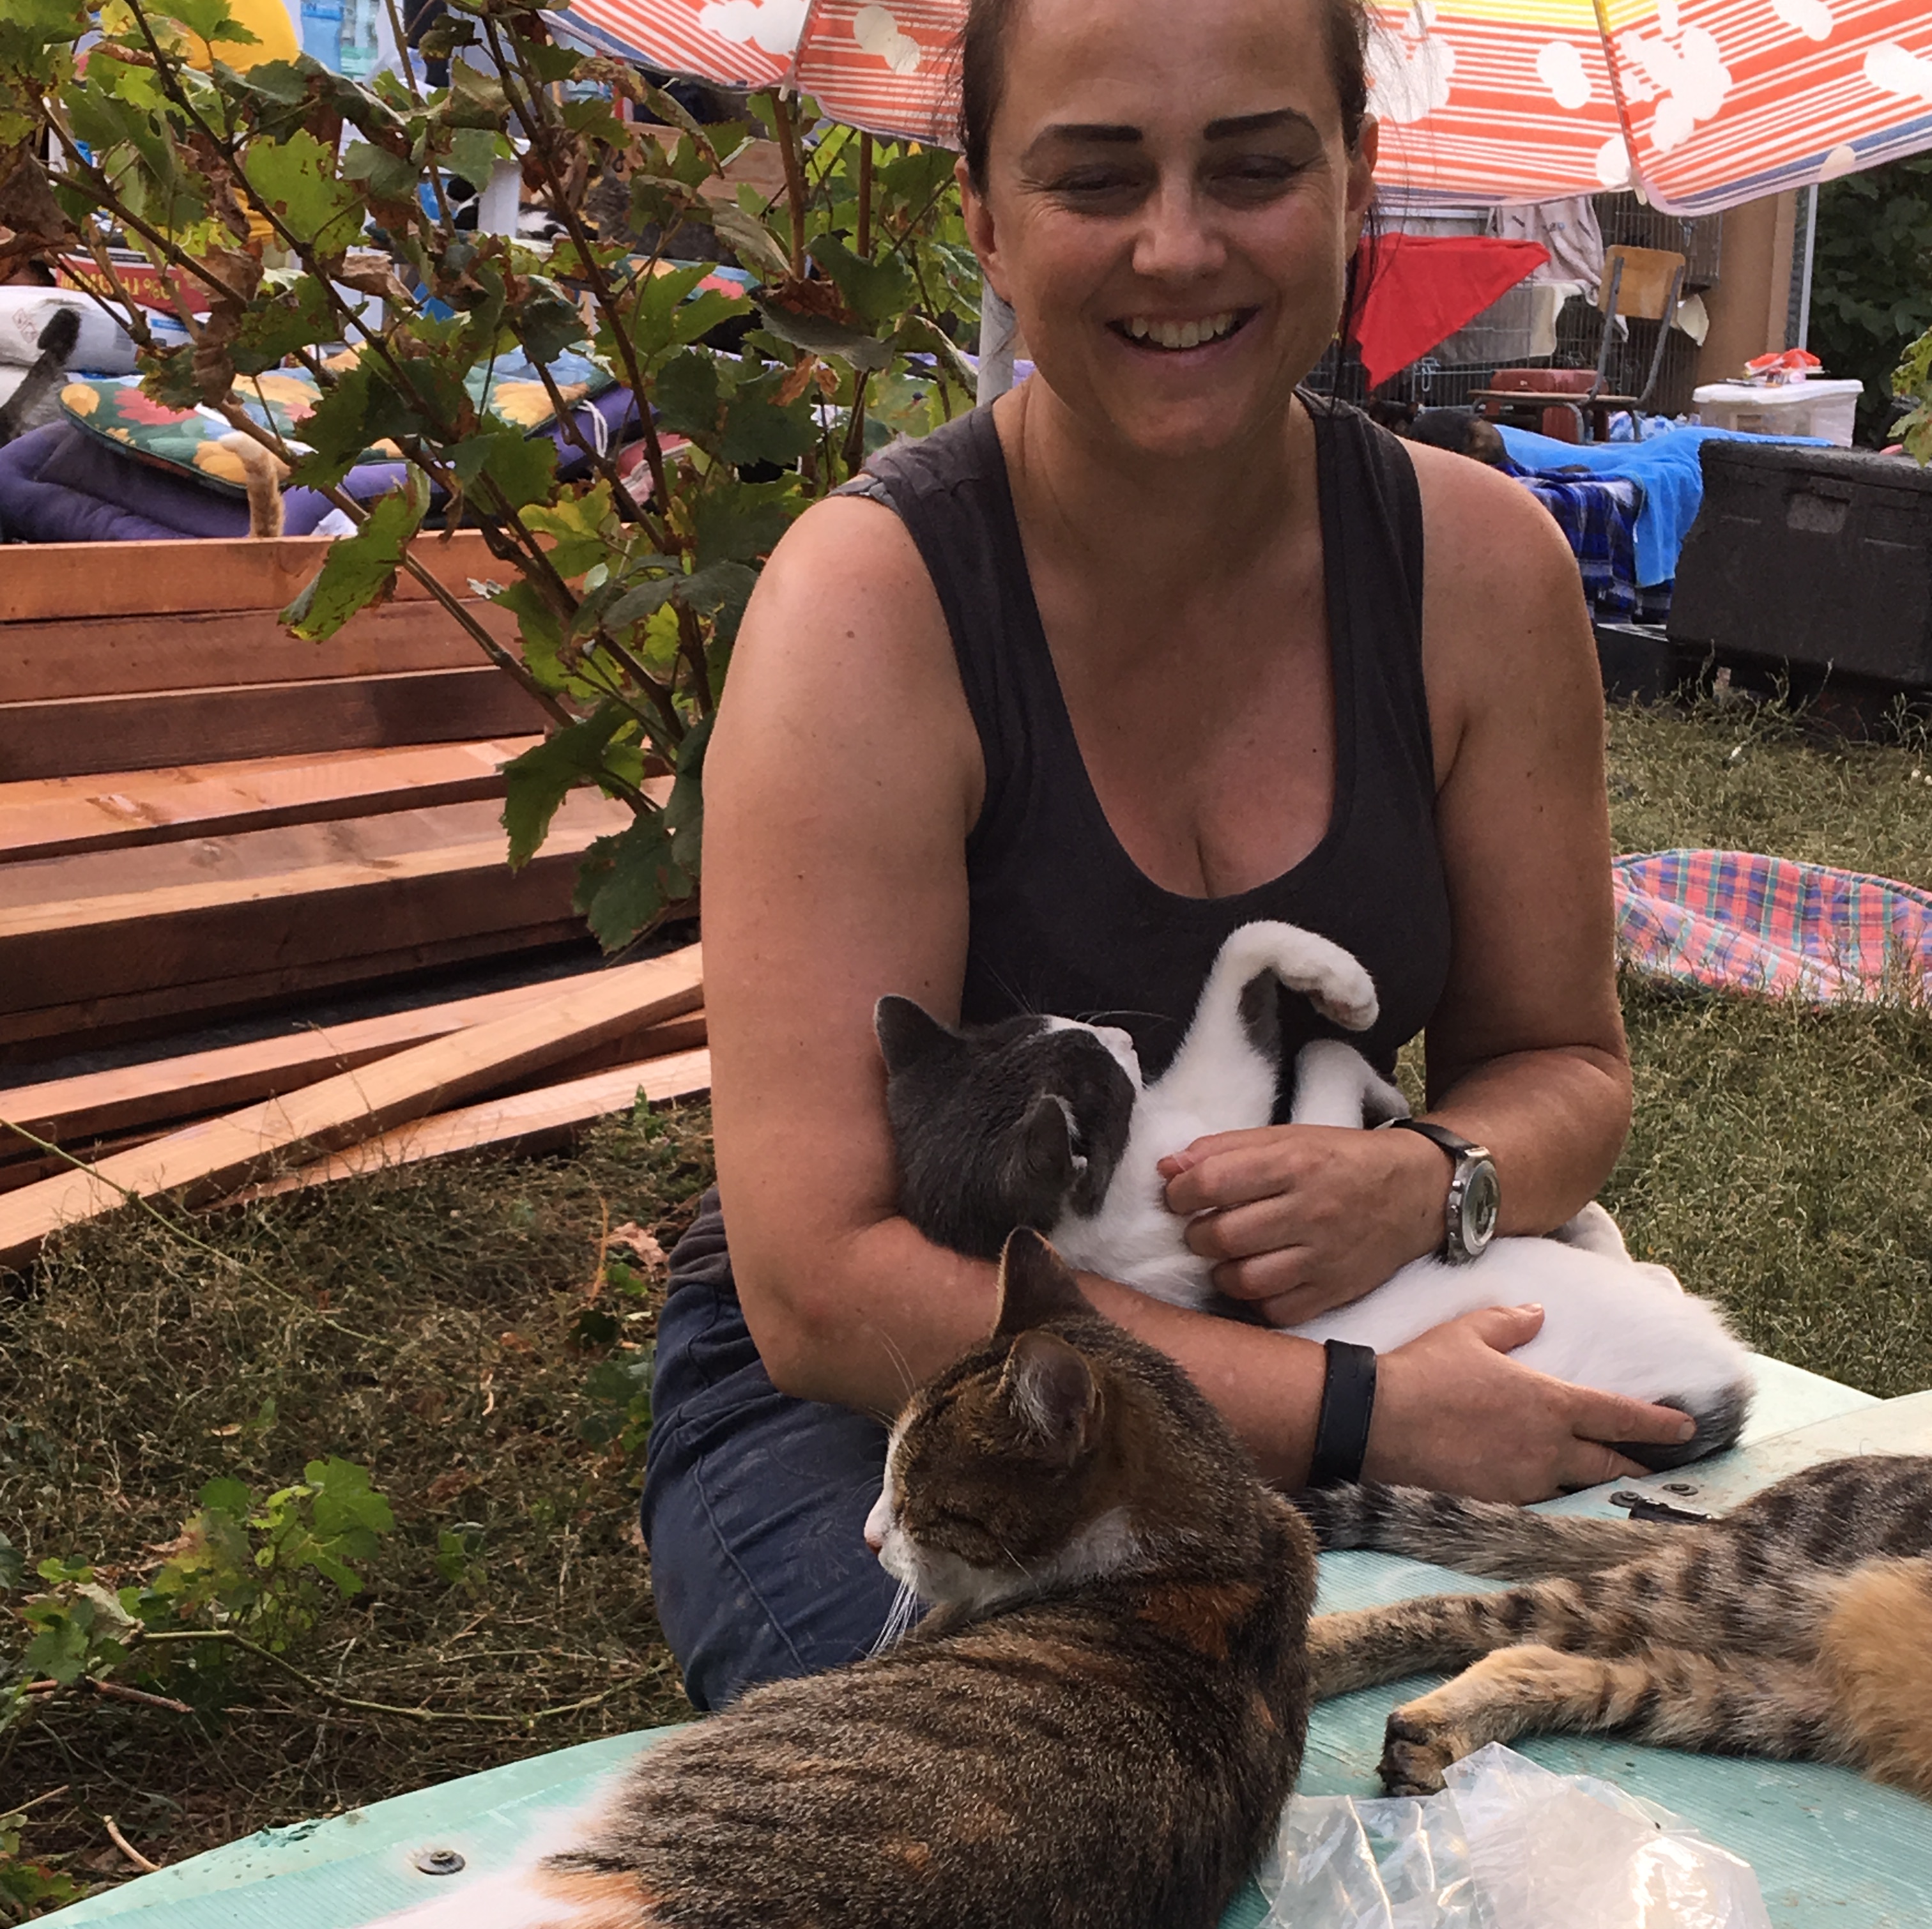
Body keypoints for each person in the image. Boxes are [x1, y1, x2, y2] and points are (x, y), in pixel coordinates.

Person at [641, 0, 1696, 1711]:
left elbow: (1564, 1066)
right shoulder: (872, 609)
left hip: (1325, 1333)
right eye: (1096, 178)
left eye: (1257, 168)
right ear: (986, 216)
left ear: (1358, 184)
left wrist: (1431, 1179)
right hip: (907, 1402)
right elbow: (824, 1287)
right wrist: (1363, 1412)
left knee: (1634, 1710)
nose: (1179, 246)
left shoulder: (1481, 577)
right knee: (1055, 1797)